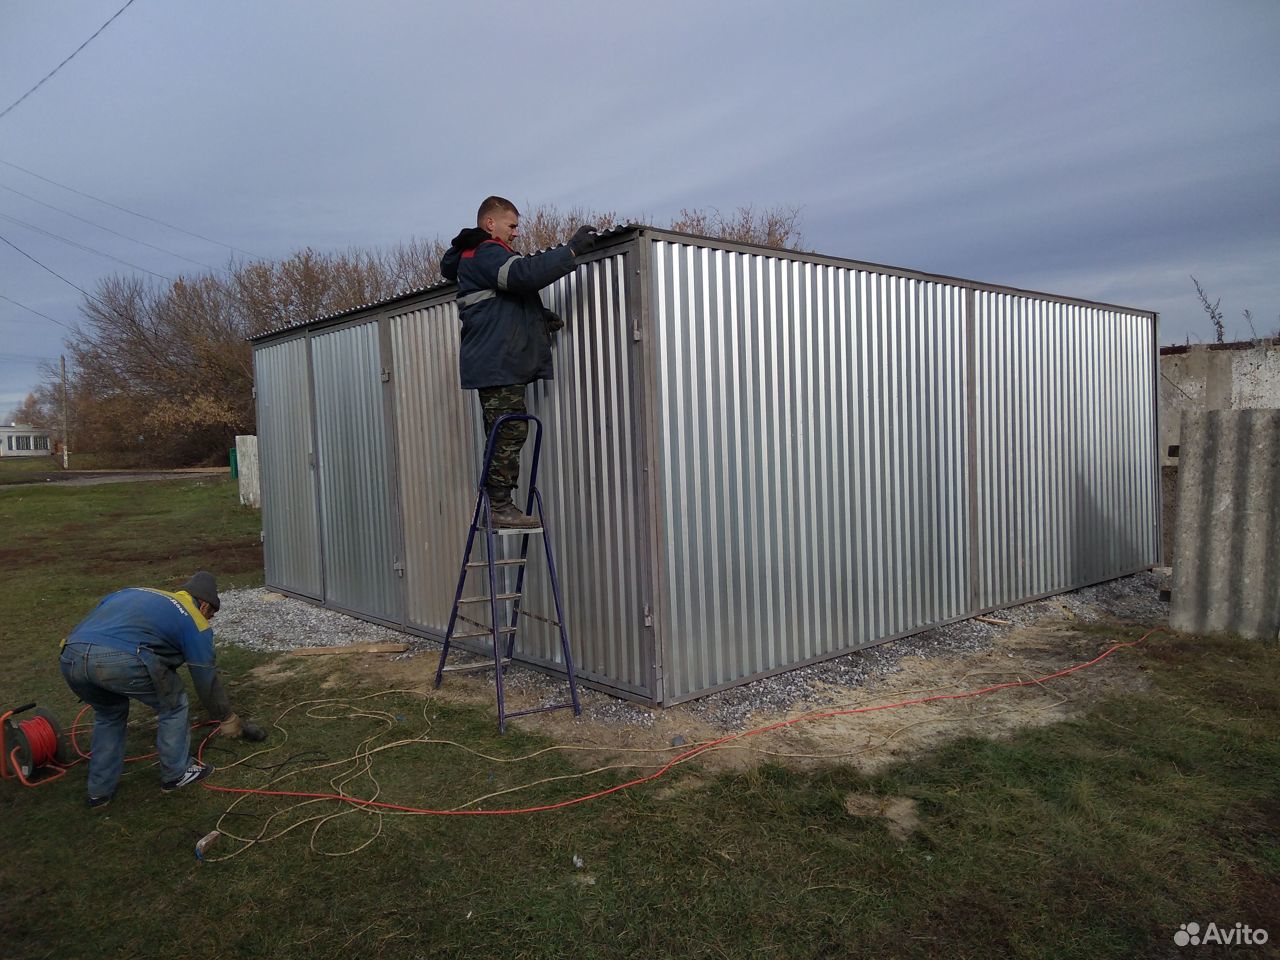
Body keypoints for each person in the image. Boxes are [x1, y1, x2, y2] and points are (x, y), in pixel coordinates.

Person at [441, 196, 599, 527]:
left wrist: (538, 317)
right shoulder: (484, 252)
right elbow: (522, 275)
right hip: (497, 362)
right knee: (511, 430)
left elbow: (500, 305)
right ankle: (499, 507)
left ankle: (494, 503)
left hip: (495, 360)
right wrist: (570, 252)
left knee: (503, 432)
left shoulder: (478, 257)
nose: (516, 233)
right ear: (490, 224)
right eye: (512, 226)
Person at [58, 571, 265, 808]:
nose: (209, 620)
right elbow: (204, 675)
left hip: (70, 656)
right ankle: (177, 774)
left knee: (109, 714)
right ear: (205, 604)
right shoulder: (193, 618)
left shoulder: (134, 592)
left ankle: (99, 792)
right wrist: (225, 716)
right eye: (211, 614)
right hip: (119, 658)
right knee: (174, 704)